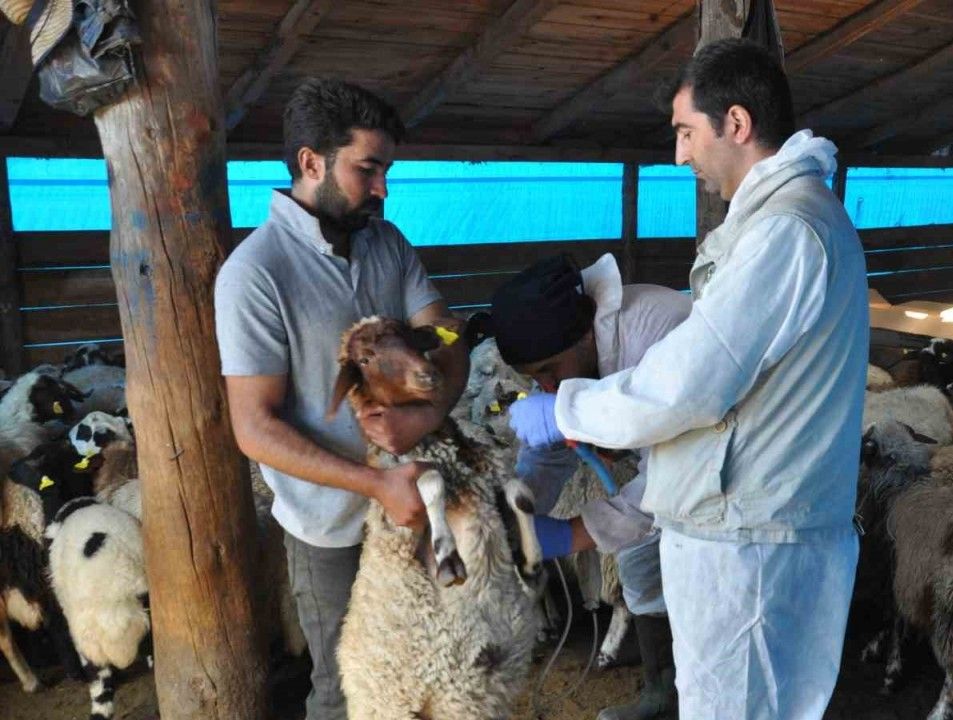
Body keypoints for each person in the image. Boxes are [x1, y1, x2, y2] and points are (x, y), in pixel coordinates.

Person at [508, 38, 869, 720]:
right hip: (746, 534)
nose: (678, 155)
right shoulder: (780, 222)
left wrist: (565, 411)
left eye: (684, 132)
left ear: (736, 123)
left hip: (750, 546)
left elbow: (689, 383)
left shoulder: (787, 232)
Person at [214, 78, 467, 720]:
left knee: (426, 664)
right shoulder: (255, 274)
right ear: (311, 163)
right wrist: (374, 483)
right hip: (330, 528)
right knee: (346, 687)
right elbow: (252, 426)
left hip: (414, 506)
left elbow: (448, 335)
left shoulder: (388, 243)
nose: (383, 188)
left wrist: (427, 414)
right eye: (368, 169)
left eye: (386, 171)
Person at [489, 252, 691, 720]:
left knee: (702, 592)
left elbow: (675, 478)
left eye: (549, 370)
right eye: (535, 378)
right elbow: (554, 442)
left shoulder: (656, 334)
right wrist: (521, 509)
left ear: (583, 335)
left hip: (732, 487)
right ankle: (662, 694)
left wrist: (570, 535)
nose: (546, 386)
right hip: (676, 475)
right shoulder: (571, 350)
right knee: (640, 563)